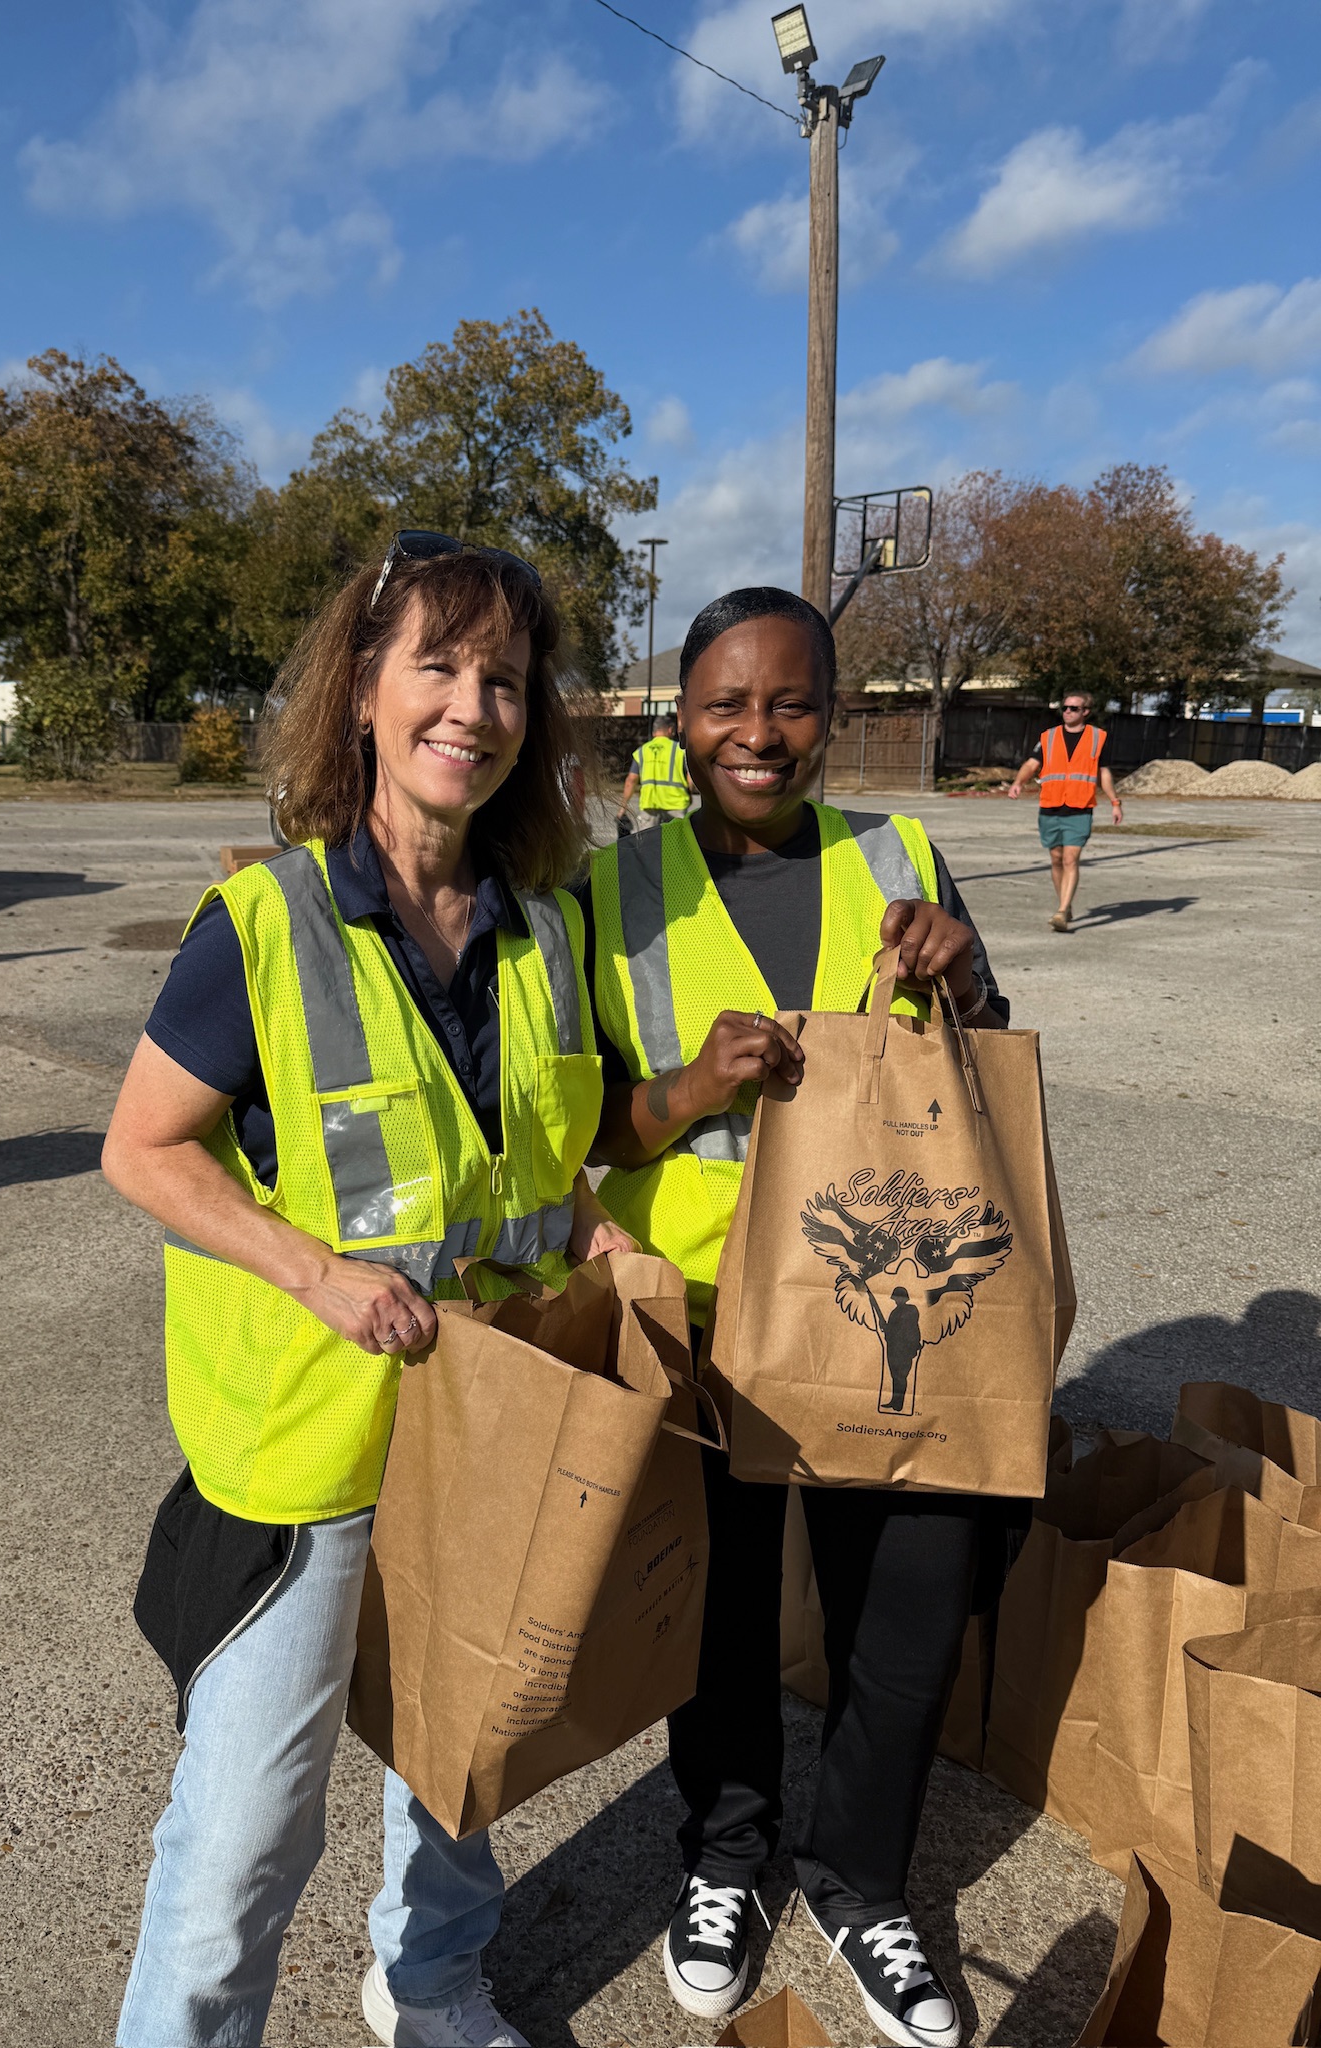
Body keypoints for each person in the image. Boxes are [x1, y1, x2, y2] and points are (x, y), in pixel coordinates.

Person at [102, 533, 635, 2048]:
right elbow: (142, 1149)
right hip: (310, 1452)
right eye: (438, 666)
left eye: (506, 680)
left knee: (465, 1760)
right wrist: (315, 1272)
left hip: (487, 1420)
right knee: (244, 1841)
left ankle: (434, 1985)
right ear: (360, 689)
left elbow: (534, 1160)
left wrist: (604, 1241)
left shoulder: (545, 924)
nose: (472, 706)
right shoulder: (262, 926)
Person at [578, 587, 1015, 2048]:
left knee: (905, 1609)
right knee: (716, 1614)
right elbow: (585, 1127)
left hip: (891, 1318)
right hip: (703, 1317)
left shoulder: (900, 856)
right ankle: (726, 1854)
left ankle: (861, 1879)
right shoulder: (612, 890)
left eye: (791, 702)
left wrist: (966, 968)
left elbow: (979, 1070)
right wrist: (691, 1088)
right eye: (726, 703)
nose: (757, 732)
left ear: (833, 713)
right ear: (679, 718)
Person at [1007, 692, 1122, 931]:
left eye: (1073, 708)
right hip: (1051, 805)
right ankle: (1065, 903)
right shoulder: (1048, 737)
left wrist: (1115, 802)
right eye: (1065, 707)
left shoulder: (1097, 738)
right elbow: (1032, 763)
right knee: (1056, 859)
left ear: (1085, 712)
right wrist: (1018, 782)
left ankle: (1061, 912)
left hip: (1080, 808)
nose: (1068, 711)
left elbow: (1104, 773)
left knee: (1070, 858)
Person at [619, 710, 691, 829]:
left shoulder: (642, 751)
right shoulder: (679, 750)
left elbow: (631, 780)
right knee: (675, 840)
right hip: (676, 805)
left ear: (654, 732)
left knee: (649, 840)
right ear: (670, 730)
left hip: (649, 806)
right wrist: (690, 792)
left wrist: (623, 807)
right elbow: (690, 779)